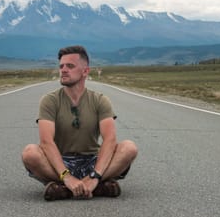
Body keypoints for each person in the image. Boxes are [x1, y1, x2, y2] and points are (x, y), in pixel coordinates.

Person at [21, 45, 138, 201]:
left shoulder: (99, 100)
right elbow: (46, 142)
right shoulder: (50, 101)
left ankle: (73, 188)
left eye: (70, 66)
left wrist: (95, 175)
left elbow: (110, 140)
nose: (63, 70)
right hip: (60, 162)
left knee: (129, 148)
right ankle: (84, 186)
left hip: (92, 161)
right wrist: (66, 176)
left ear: (85, 71)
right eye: (61, 66)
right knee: (30, 153)